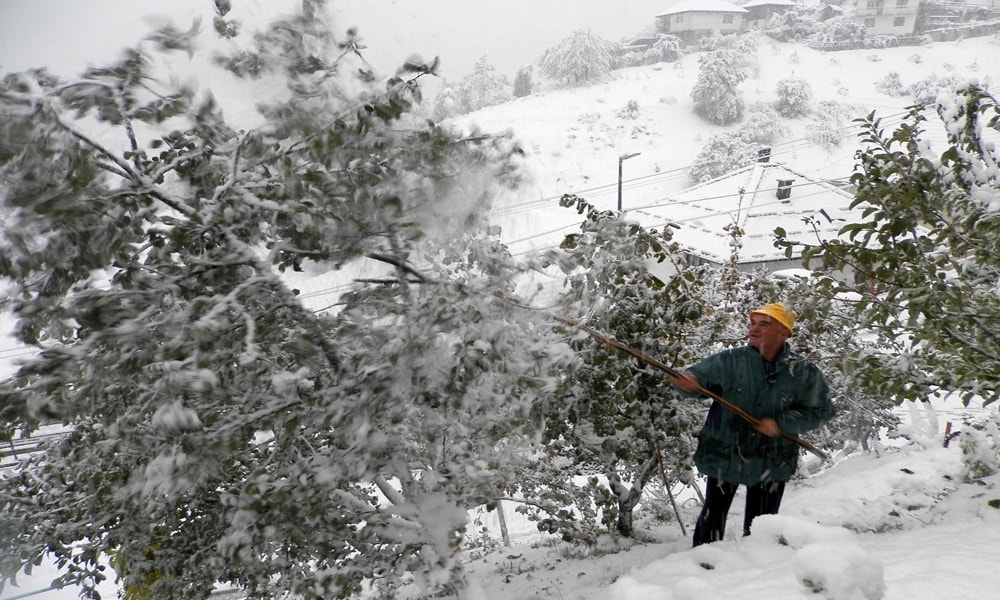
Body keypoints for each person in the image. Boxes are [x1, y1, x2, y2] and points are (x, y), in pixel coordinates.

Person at [671, 302, 834, 546]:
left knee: (762, 526)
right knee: (713, 516)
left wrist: (780, 424)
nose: (754, 329)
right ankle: (703, 564)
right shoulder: (729, 361)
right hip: (725, 453)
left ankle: (753, 573)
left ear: (784, 332)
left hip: (772, 458)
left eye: (764, 324)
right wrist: (688, 382)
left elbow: (821, 411)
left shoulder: (803, 373)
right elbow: (697, 378)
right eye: (753, 323)